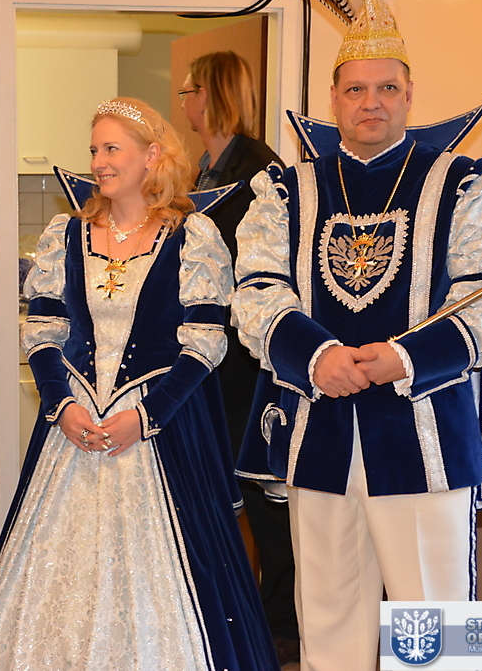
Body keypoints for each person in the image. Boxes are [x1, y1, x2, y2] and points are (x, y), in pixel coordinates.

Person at [231, 0, 482, 670]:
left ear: (409, 96)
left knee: (432, 632)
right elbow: (254, 292)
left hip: (427, 435)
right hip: (320, 431)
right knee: (328, 625)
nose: (372, 102)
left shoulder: (464, 184)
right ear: (334, 98)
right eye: (357, 89)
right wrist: (316, 356)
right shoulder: (286, 190)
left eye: (388, 88)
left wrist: (404, 357)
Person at [0, 98, 278, 671]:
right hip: (75, 427)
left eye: (111, 149)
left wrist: (145, 418)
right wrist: (61, 406)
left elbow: (205, 342)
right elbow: (44, 331)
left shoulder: (193, 235)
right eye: (94, 150)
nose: (99, 162)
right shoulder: (65, 234)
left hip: (162, 431)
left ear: (152, 156)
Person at [181, 51, 298, 665]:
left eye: (189, 89)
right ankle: (237, 619)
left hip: (250, 368)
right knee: (223, 495)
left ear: (211, 93)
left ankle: (283, 626)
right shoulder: (201, 169)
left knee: (264, 498)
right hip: (212, 362)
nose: (183, 101)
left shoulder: (259, 169)